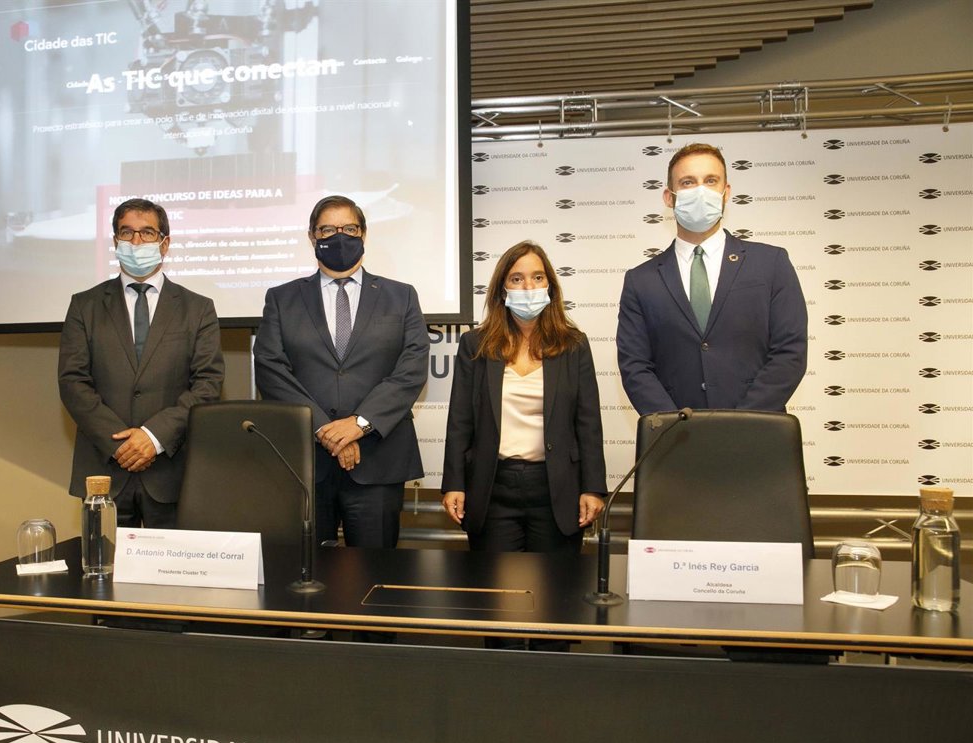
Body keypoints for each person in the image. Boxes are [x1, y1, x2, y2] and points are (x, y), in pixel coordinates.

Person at [254, 194, 428, 549]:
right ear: (312, 237)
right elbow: (271, 369)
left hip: (378, 460)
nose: (339, 237)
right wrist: (325, 429)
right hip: (305, 466)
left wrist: (359, 425)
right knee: (305, 571)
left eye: (349, 229)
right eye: (327, 230)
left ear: (363, 234)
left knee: (376, 572)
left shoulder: (402, 296)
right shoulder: (282, 299)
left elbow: (411, 369)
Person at [58, 198, 224, 527]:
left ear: (165, 243)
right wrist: (122, 444)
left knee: (177, 562)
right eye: (127, 233)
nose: (136, 241)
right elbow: (72, 382)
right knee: (104, 561)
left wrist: (152, 437)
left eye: (147, 233)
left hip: (172, 474)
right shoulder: (84, 306)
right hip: (104, 469)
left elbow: (207, 384)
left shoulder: (198, 308)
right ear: (115, 241)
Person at [616, 142, 808, 415]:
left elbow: (790, 352)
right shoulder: (641, 281)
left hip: (757, 431)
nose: (700, 191)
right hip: (676, 435)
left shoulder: (771, 263)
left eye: (710, 181)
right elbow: (635, 367)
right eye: (687, 182)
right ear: (669, 197)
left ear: (725, 192)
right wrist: (677, 427)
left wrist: (740, 423)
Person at [441, 241, 607, 554]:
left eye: (537, 277)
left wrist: (593, 487)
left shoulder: (574, 345)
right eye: (516, 279)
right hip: (492, 488)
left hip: (557, 488)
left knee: (555, 582)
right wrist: (454, 483)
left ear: (550, 286)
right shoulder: (475, 344)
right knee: (495, 582)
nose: (528, 287)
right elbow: (460, 420)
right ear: (502, 290)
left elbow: (588, 422)